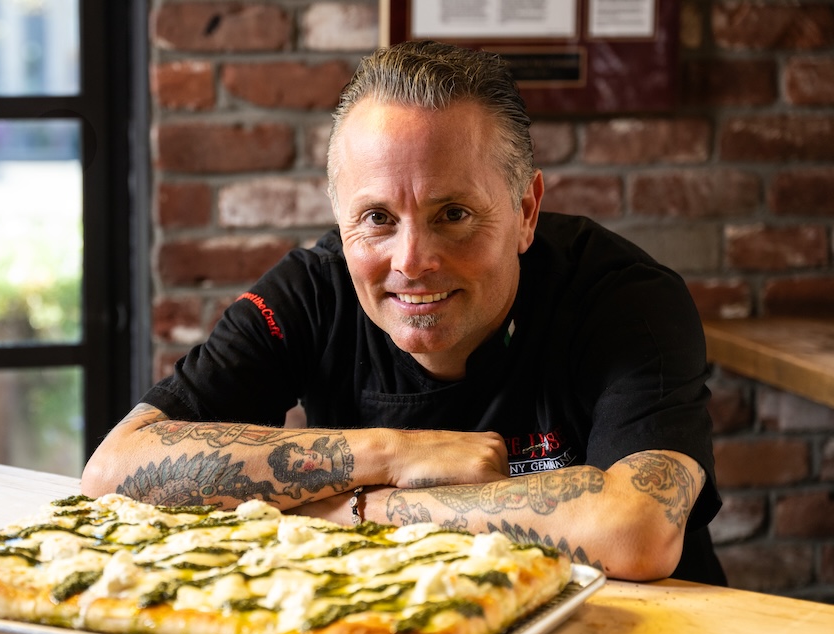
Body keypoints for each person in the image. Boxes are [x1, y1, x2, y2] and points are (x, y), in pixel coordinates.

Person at [81, 40, 726, 585]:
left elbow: (636, 529)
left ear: (527, 212)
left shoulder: (627, 300)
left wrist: (359, 509)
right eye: (377, 219)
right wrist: (395, 454)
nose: (412, 261)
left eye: (454, 215)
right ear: (340, 220)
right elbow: (114, 471)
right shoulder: (312, 291)